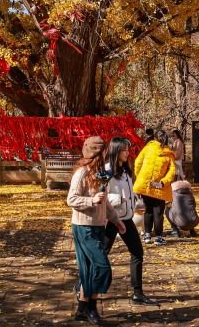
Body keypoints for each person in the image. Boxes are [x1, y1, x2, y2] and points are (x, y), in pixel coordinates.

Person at [68, 136, 124, 325]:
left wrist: (116, 220)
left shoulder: (100, 174)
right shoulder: (81, 173)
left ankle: (82, 310)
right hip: (84, 227)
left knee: (90, 270)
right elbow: (72, 199)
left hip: (99, 226)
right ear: (96, 154)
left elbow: (105, 202)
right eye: (103, 154)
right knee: (101, 267)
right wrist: (91, 201)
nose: (106, 157)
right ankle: (91, 308)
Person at [103, 137, 158, 306]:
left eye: (128, 149)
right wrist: (118, 199)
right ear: (116, 151)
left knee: (137, 252)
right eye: (124, 150)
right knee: (100, 254)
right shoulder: (106, 171)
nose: (128, 153)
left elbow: (130, 191)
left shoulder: (126, 171)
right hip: (111, 220)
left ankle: (137, 293)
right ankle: (82, 285)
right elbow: (101, 195)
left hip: (127, 219)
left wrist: (134, 200)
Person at [134, 130, 176, 246]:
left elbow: (138, 162)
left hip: (146, 185)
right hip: (159, 187)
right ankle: (158, 237)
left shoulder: (148, 148)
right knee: (158, 213)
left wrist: (140, 177)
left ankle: (147, 235)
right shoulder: (169, 153)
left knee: (147, 211)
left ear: (155, 138)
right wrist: (163, 182)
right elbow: (172, 171)